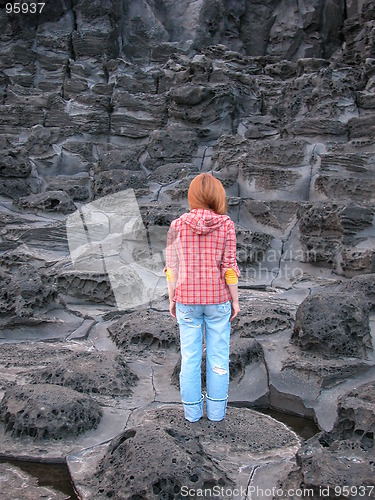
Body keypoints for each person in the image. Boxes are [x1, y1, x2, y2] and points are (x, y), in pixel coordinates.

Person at [164, 173, 240, 423]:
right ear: (217, 196)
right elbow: (229, 267)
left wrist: (172, 298)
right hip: (218, 300)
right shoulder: (226, 224)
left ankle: (192, 414)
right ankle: (217, 414)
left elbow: (171, 268)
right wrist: (235, 300)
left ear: (192, 196)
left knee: (190, 358)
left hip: (187, 300)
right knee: (218, 357)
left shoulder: (176, 225)